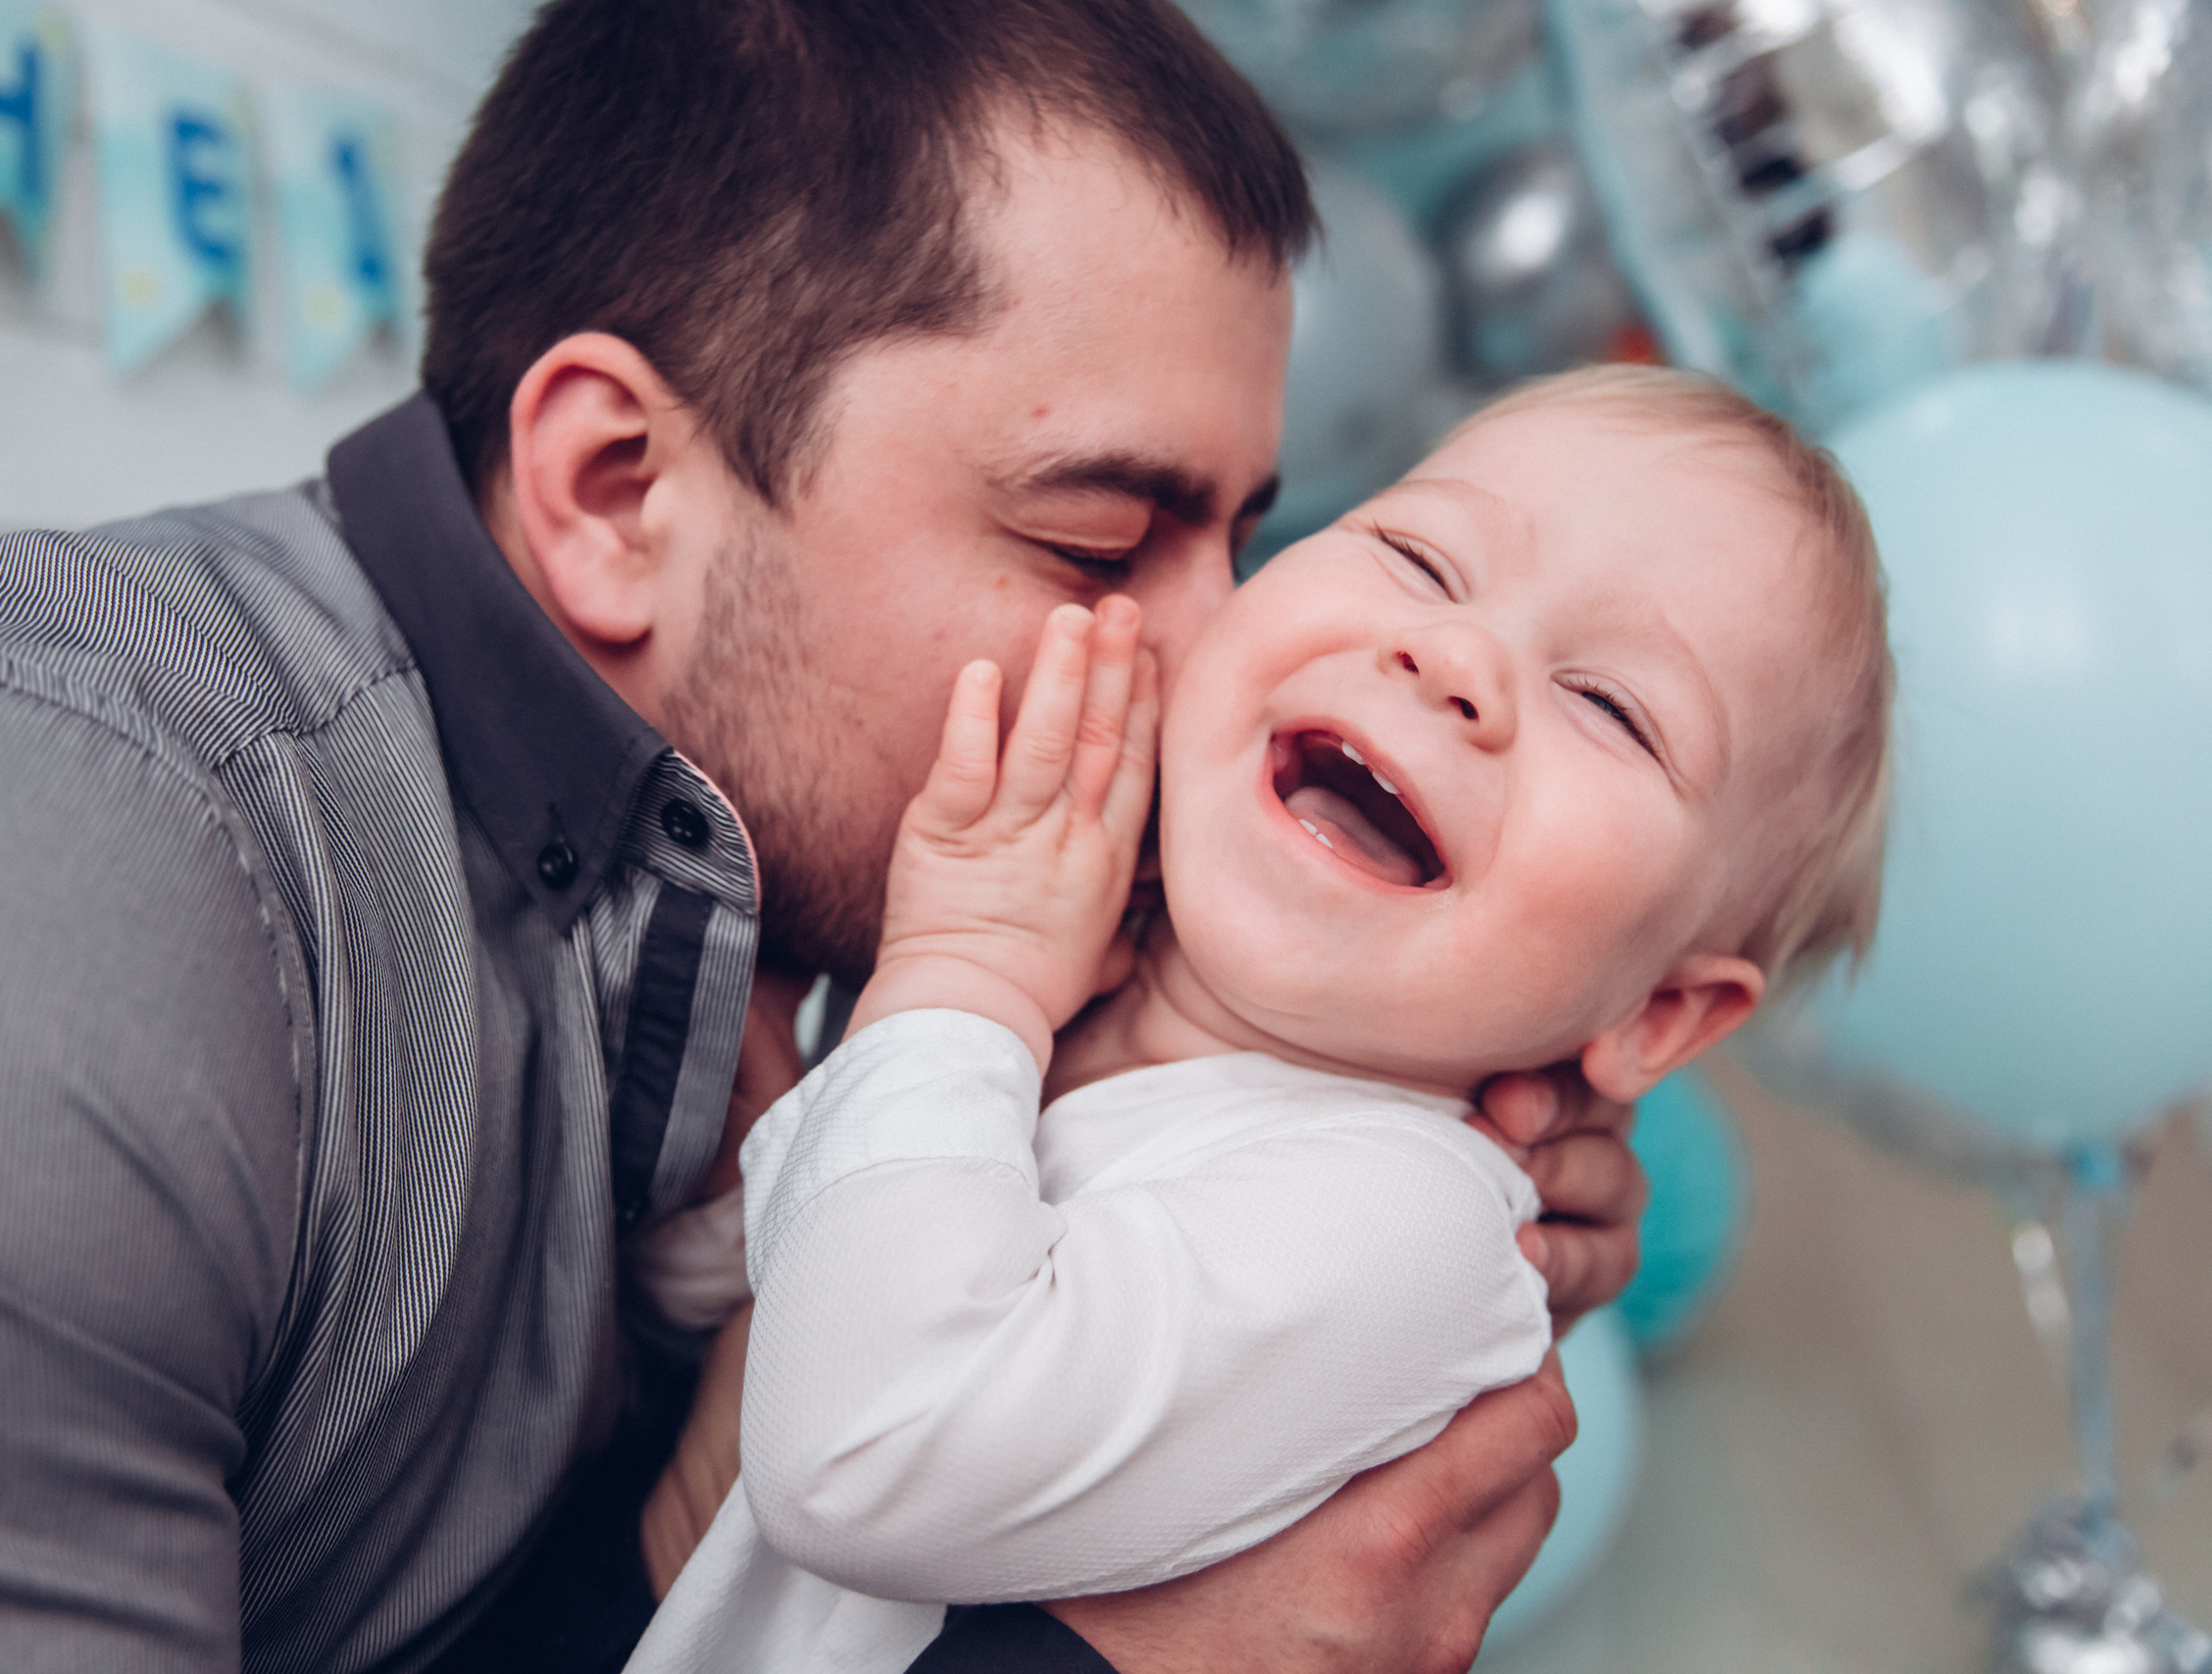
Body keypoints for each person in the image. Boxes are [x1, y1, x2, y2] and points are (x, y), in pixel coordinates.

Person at [0, 4, 1639, 1671]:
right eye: (1097, 542)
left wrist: (1347, 1151)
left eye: (1243, 539)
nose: (1218, 661)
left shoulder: (815, 886)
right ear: (618, 489)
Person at [627, 367, 1894, 1674]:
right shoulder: (1081, 989)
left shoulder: (1412, 1225)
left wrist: (961, 972)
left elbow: (858, 1453)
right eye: (1420, 558)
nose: (1455, 657)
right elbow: (758, 1316)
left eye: (1611, 706)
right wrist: (742, 1173)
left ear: (1664, 1010)